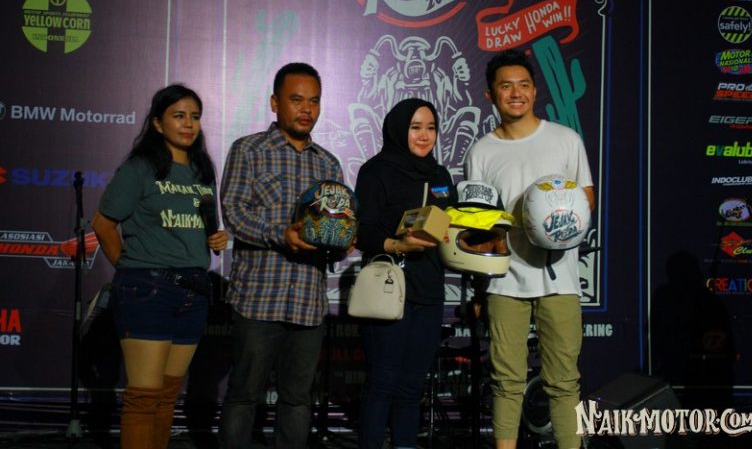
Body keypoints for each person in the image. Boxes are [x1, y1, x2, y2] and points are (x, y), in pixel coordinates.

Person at [465, 49, 595, 449]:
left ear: (535, 91)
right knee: (506, 381)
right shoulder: (481, 152)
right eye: (506, 86)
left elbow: (587, 197)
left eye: (523, 85)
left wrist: (554, 215)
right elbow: (475, 222)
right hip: (504, 280)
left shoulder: (566, 139)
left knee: (564, 381)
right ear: (491, 95)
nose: (516, 93)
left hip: (560, 279)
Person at [91, 84, 228, 449]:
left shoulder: (202, 170)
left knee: (167, 396)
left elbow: (205, 227)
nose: (188, 124)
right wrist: (130, 268)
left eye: (194, 117)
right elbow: (103, 225)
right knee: (144, 396)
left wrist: (215, 238)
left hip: (194, 291)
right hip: (147, 290)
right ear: (157, 123)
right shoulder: (140, 168)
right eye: (178, 116)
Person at [218, 62, 345, 449]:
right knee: (244, 396)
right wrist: (280, 235)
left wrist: (341, 240)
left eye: (314, 101)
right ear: (275, 103)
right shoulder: (249, 150)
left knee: (297, 400)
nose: (307, 109)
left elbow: (334, 225)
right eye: (296, 99)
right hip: (258, 299)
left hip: (308, 303)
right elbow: (234, 213)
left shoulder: (328, 163)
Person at [354, 98, 457, 449]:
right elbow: (361, 232)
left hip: (429, 293)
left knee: (412, 388)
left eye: (431, 128)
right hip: (387, 290)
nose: (424, 136)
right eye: (415, 128)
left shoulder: (440, 176)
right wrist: (397, 245)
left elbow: (449, 228)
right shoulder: (376, 171)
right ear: (399, 130)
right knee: (382, 385)